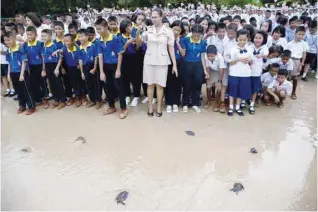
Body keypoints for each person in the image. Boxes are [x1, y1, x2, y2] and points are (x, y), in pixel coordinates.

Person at [135, 8, 177, 117]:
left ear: (161, 17)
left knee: (160, 85)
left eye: (156, 17)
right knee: (150, 85)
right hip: (149, 60)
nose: (153, 19)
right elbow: (138, 43)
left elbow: (171, 48)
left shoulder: (168, 31)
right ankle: (150, 106)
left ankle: (158, 106)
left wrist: (174, 65)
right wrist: (138, 32)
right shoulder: (148, 30)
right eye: (152, 17)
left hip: (163, 61)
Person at [95, 18, 128, 119]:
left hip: (115, 66)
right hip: (105, 66)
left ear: (106, 27)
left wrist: (118, 70)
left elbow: (120, 55)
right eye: (97, 29)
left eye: (99, 29)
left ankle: (123, 108)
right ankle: (112, 106)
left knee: (119, 87)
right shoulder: (98, 41)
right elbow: (100, 56)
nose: (98, 31)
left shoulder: (115, 39)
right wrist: (101, 72)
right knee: (108, 87)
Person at [5, 31, 35, 115]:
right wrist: (8, 74)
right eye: (5, 40)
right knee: (18, 91)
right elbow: (9, 63)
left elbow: (24, 62)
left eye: (9, 40)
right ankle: (22, 106)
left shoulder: (20, 48)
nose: (7, 42)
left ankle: (31, 106)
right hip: (13, 73)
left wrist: (22, 74)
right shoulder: (8, 50)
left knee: (26, 90)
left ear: (14, 39)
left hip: (22, 73)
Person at [180, 24, 208, 113]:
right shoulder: (186, 40)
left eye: (198, 35)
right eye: (194, 34)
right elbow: (183, 54)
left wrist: (205, 70)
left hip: (198, 65)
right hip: (187, 64)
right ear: (191, 33)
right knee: (187, 84)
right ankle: (185, 103)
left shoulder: (203, 42)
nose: (196, 36)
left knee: (197, 85)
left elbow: (203, 57)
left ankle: (195, 103)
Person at [227, 29, 254, 116]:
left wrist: (249, 60)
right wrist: (238, 59)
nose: (242, 42)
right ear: (237, 39)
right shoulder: (232, 49)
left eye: (244, 40)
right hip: (234, 73)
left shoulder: (250, 48)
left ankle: (238, 107)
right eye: (240, 40)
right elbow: (229, 62)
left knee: (241, 91)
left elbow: (252, 61)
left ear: (247, 39)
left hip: (245, 74)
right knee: (232, 91)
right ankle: (231, 107)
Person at [55, 34, 85, 107]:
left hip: (77, 68)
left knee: (79, 83)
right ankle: (74, 98)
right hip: (69, 68)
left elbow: (80, 58)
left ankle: (81, 98)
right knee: (71, 83)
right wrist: (58, 68)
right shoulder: (64, 49)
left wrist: (79, 65)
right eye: (64, 41)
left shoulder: (77, 48)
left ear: (72, 41)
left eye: (68, 41)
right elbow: (60, 58)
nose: (66, 43)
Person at [23, 26, 49, 108]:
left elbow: (43, 57)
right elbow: (23, 56)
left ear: (36, 35)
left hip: (40, 66)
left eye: (31, 34)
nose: (29, 36)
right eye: (28, 35)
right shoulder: (25, 45)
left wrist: (43, 69)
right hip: (30, 67)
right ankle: (38, 99)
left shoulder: (39, 44)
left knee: (43, 83)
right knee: (34, 83)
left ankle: (46, 100)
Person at [41, 29, 66, 109]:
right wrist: (44, 69)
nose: (43, 38)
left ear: (50, 36)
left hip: (55, 66)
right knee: (51, 84)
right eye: (42, 36)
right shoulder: (43, 45)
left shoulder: (54, 45)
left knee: (58, 83)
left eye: (45, 36)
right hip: (47, 66)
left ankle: (62, 100)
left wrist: (57, 68)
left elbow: (60, 57)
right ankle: (56, 99)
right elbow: (44, 58)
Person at [78, 29, 101, 109]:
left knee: (96, 85)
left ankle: (98, 100)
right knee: (88, 85)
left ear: (87, 37)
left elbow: (96, 57)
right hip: (85, 68)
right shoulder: (79, 48)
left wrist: (94, 68)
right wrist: (82, 72)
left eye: (82, 36)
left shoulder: (93, 45)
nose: (80, 38)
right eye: (79, 37)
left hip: (92, 66)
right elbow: (80, 60)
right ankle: (92, 100)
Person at [166, 20, 185, 113]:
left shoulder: (182, 40)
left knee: (177, 84)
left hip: (179, 63)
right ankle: (169, 103)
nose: (176, 32)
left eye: (178, 30)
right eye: (174, 29)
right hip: (168, 63)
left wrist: (178, 43)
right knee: (168, 83)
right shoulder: (167, 38)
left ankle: (176, 103)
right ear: (171, 29)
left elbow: (183, 54)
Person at [247, 31, 268, 114]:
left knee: (255, 89)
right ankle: (243, 102)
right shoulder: (249, 47)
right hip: (247, 72)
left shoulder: (264, 47)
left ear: (263, 39)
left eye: (260, 38)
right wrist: (249, 60)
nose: (257, 40)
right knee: (247, 88)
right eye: (256, 38)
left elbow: (266, 54)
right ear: (253, 38)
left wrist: (261, 55)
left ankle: (252, 104)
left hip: (257, 73)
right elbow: (247, 56)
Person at [286, 26, 309, 100]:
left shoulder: (304, 44)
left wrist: (302, 63)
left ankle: (293, 92)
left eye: (303, 35)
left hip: (297, 61)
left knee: (295, 78)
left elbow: (304, 54)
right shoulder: (290, 43)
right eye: (299, 34)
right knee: (286, 77)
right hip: (289, 60)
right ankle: (286, 91)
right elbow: (286, 53)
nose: (301, 36)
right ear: (295, 34)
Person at [204, 45, 225, 112]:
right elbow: (207, 67)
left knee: (218, 87)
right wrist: (208, 77)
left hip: (219, 71)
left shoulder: (220, 58)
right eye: (208, 56)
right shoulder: (206, 56)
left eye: (212, 56)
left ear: (216, 54)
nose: (210, 58)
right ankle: (209, 101)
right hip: (211, 70)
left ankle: (216, 103)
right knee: (208, 85)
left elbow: (221, 70)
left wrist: (219, 81)